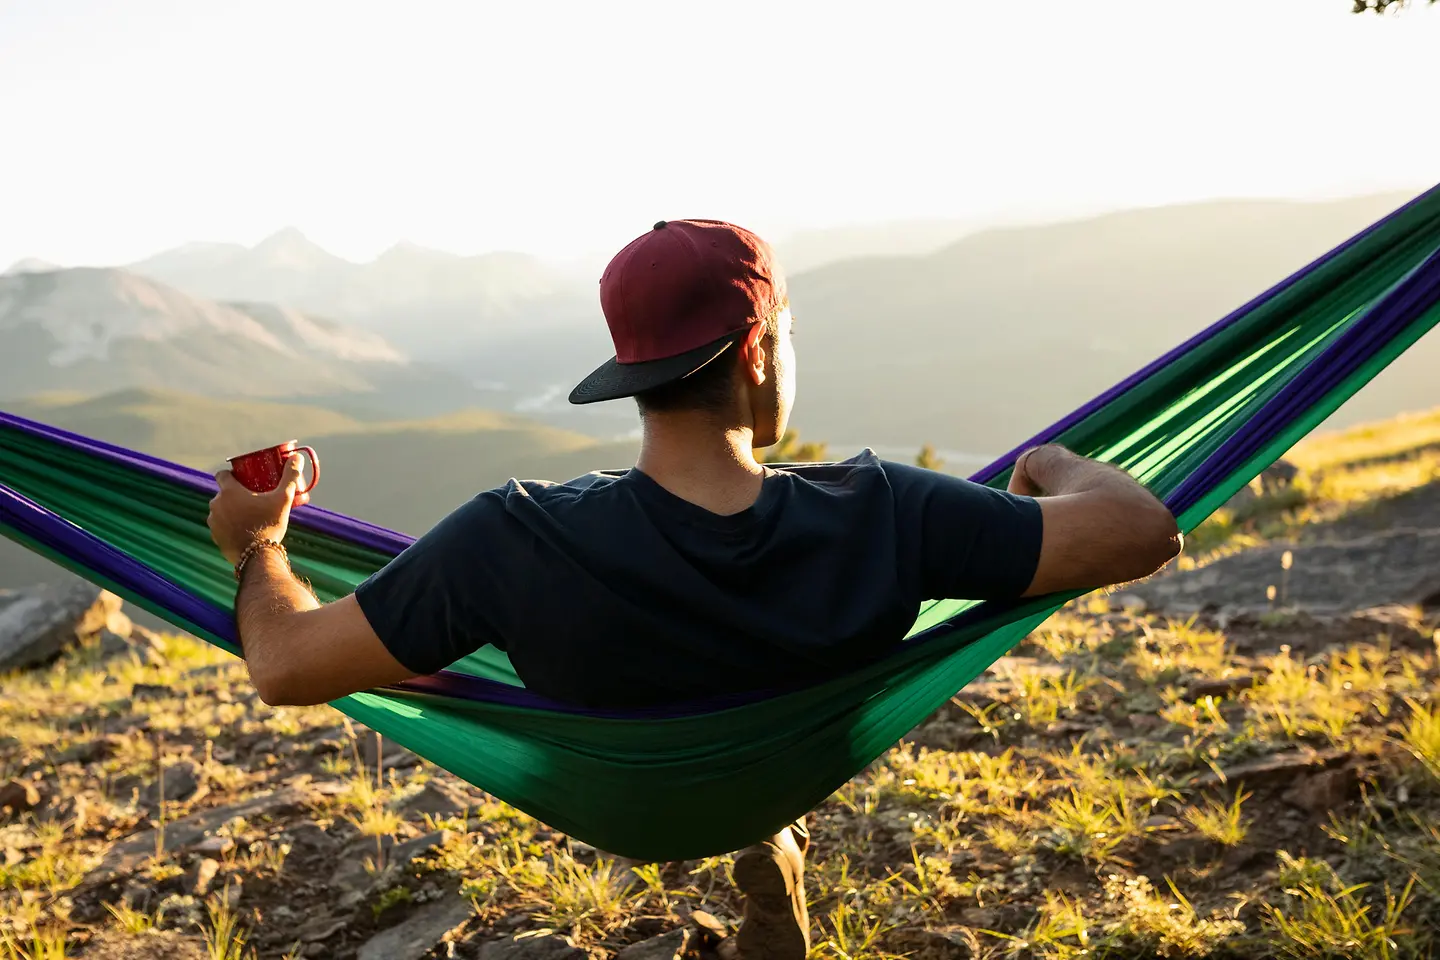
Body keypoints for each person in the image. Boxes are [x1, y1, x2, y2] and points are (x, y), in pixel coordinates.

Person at [207, 218, 1182, 958]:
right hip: (792, 761)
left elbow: (286, 664)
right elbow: (1141, 532)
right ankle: (770, 824)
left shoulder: (511, 539)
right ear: (756, 350)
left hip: (624, 802)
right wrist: (1053, 462)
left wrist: (258, 545)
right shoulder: (889, 513)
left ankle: (760, 824)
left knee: (463, 663)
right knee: (745, 726)